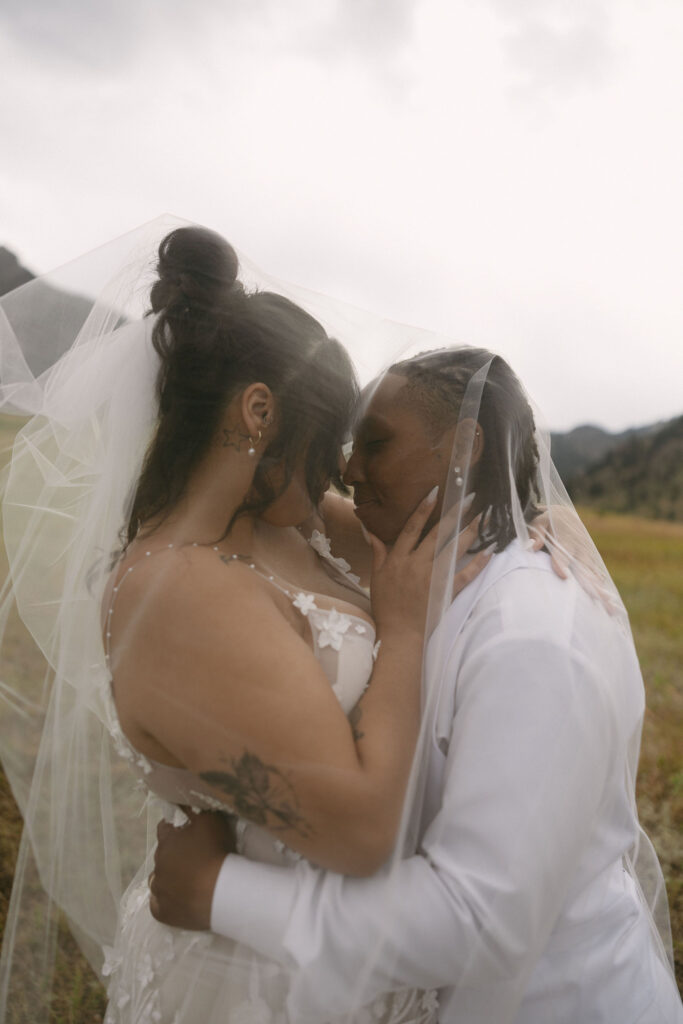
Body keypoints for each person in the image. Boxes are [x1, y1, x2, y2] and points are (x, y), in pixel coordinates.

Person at [0, 222, 491, 1024]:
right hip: (256, 985)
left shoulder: (285, 522)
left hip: (360, 957)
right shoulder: (178, 598)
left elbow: (426, 546)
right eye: (330, 440)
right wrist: (399, 636)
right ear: (258, 411)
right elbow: (361, 832)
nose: (339, 470)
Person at [150, 348, 683, 1023]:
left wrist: (218, 892)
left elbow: (480, 919)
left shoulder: (533, 635)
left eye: (374, 443)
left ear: (463, 449)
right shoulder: (423, 572)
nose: (347, 469)